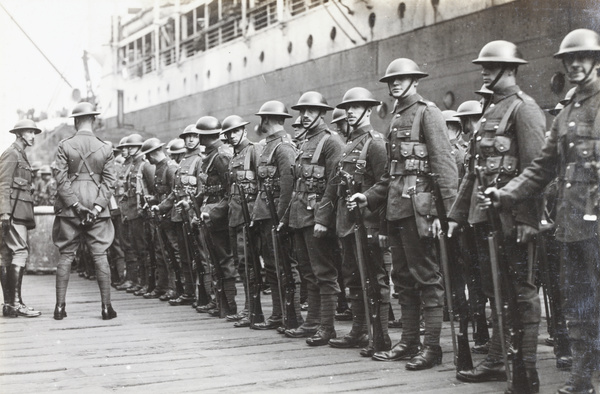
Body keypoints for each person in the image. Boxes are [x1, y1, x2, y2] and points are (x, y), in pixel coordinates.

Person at [484, 29, 600, 394]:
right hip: (572, 224)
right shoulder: (566, 112)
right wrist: (505, 194)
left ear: (595, 61)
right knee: (578, 305)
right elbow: (541, 167)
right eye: (570, 59)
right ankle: (581, 379)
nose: (575, 65)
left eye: (582, 58)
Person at [447, 40, 545, 392]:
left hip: (513, 220)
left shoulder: (524, 109)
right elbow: (474, 171)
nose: (483, 71)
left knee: (521, 294)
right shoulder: (491, 110)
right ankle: (498, 360)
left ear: (510, 69)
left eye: (490, 66)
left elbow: (536, 171)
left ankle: (526, 370)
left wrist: (528, 221)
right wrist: (457, 215)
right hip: (486, 219)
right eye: (483, 66)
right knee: (497, 292)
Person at [350, 58, 458, 370]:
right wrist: (368, 196)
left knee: (426, 277)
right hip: (397, 211)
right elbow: (390, 176)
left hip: (420, 211)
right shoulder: (396, 118)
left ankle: (431, 347)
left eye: (402, 79)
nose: (395, 84)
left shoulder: (428, 113)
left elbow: (443, 165)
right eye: (391, 80)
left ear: (415, 81)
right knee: (403, 279)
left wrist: (444, 213)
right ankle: (408, 342)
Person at [325, 87, 390, 356]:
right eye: (348, 107)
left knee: (375, 278)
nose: (350, 111)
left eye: (356, 106)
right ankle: (360, 329)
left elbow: (387, 182)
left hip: (368, 222)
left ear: (369, 109)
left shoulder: (376, 143)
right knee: (352, 276)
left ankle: (381, 336)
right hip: (348, 222)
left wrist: (367, 197)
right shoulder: (350, 144)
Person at [283, 91, 343, 346]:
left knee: (324, 273)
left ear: (322, 113)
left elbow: (334, 183)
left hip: (317, 217)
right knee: (308, 273)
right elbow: (299, 184)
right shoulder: (306, 142)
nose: (304, 116)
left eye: (310, 111)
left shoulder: (330, 142)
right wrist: (287, 217)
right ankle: (312, 323)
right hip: (300, 216)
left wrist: (323, 218)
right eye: (301, 111)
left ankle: (327, 327)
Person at [52, 102, 117, 320]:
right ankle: (106, 308)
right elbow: (110, 181)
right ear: (94, 120)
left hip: (70, 209)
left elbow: (60, 180)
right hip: (98, 209)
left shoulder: (65, 145)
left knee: (66, 255)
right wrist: (97, 207)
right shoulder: (105, 147)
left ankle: (59, 308)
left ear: (76, 121)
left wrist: (75, 205)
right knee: (100, 255)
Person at [251, 100, 303, 330]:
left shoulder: (283, 147)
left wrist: (282, 219)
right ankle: (278, 314)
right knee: (272, 266)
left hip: (277, 216)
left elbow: (288, 187)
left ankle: (292, 316)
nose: (261, 122)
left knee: (285, 266)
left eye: (263, 118)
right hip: (265, 214)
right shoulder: (268, 146)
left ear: (269, 120)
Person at [158, 124, 208, 308]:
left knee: (200, 257)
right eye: (187, 136)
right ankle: (188, 292)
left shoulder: (200, 161)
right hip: (179, 216)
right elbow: (175, 192)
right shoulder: (182, 163)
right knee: (186, 256)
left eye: (194, 136)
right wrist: (161, 206)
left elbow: (202, 191)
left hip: (193, 216)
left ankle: (206, 295)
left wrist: (198, 214)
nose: (191, 139)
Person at [194, 116, 237, 317]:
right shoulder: (211, 155)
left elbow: (231, 192)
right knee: (215, 260)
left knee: (224, 260)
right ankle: (220, 302)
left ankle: (229, 304)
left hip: (219, 215)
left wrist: (213, 212)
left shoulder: (220, 156)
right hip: (209, 213)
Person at [0, 119, 43, 318]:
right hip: (13, 212)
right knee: (20, 251)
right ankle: (15, 304)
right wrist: (5, 213)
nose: (32, 136)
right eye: (29, 132)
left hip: (17, 211)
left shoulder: (20, 154)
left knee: (7, 255)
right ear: (19, 134)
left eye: (33, 132)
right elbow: (3, 185)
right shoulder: (12, 153)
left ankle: (9, 305)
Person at [221, 115, 261, 327]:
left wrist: (256, 214)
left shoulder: (253, 151)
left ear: (244, 131)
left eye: (236, 131)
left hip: (250, 216)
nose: (232, 136)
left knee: (249, 263)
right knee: (241, 263)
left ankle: (252, 310)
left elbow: (262, 184)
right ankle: (248, 308)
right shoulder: (233, 156)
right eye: (229, 133)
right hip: (235, 216)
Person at [141, 138, 178, 300]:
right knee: (160, 251)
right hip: (160, 216)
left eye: (148, 155)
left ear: (153, 154)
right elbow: (159, 193)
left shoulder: (170, 168)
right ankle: (162, 286)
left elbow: (175, 193)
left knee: (173, 252)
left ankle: (175, 287)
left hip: (170, 216)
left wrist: (161, 206)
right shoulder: (158, 168)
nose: (147, 159)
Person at [119, 133, 156, 296]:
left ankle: (147, 283)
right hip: (132, 212)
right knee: (135, 247)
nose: (128, 149)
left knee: (143, 249)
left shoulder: (145, 165)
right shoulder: (133, 165)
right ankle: (139, 281)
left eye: (131, 147)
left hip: (142, 214)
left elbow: (154, 189)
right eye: (127, 147)